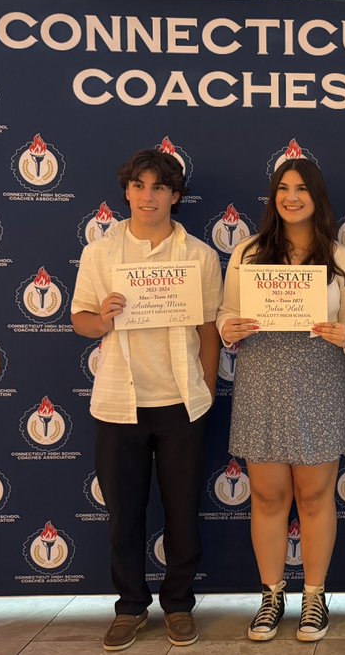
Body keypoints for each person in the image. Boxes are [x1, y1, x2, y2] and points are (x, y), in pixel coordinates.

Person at [71, 149, 222, 651]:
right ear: (126, 191)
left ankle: (178, 605)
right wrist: (104, 318)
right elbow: (81, 321)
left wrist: (202, 389)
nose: (148, 195)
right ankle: (130, 606)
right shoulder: (101, 253)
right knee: (125, 515)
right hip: (119, 404)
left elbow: (208, 331)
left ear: (175, 196)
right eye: (139, 185)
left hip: (182, 405)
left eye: (159, 187)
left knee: (182, 513)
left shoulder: (199, 255)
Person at [216, 159, 345, 642]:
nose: (292, 197)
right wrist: (227, 329)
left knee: (315, 495)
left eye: (302, 188)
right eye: (283, 188)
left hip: (319, 381)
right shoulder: (247, 251)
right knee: (267, 495)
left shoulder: (342, 258)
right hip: (261, 380)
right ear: (273, 197)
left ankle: (315, 598)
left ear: (317, 196)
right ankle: (271, 596)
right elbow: (225, 314)